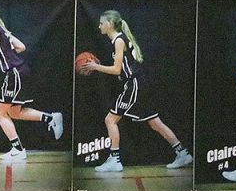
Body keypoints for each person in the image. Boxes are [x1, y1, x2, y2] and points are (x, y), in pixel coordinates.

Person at [79, 10, 193, 172]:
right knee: (155, 123)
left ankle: (115, 160)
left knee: (110, 120)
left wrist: (95, 67)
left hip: (135, 85)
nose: (99, 26)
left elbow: (117, 70)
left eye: (101, 23)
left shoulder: (119, 41)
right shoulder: (120, 39)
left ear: (109, 24)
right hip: (140, 83)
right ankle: (182, 153)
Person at [0, 3, 63, 163]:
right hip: (21, 71)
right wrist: (7, 51)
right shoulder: (2, 30)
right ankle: (50, 118)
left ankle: (18, 150)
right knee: (14, 112)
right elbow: (21, 47)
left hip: (14, 73)